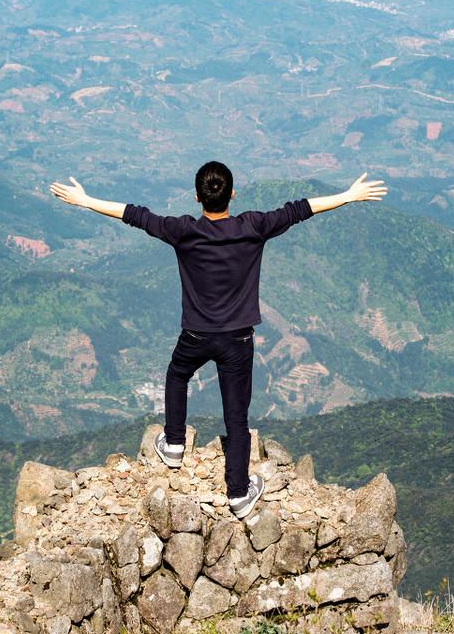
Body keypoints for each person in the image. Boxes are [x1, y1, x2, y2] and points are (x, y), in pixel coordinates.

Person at [49, 162, 386, 518]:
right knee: (236, 418)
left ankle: (174, 443)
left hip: (195, 335)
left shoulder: (182, 231)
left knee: (178, 374)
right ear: (233, 194)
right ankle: (239, 494)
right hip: (238, 341)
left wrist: (85, 201)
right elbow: (300, 209)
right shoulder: (253, 227)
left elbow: (134, 215)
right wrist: (348, 196)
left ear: (197, 197)